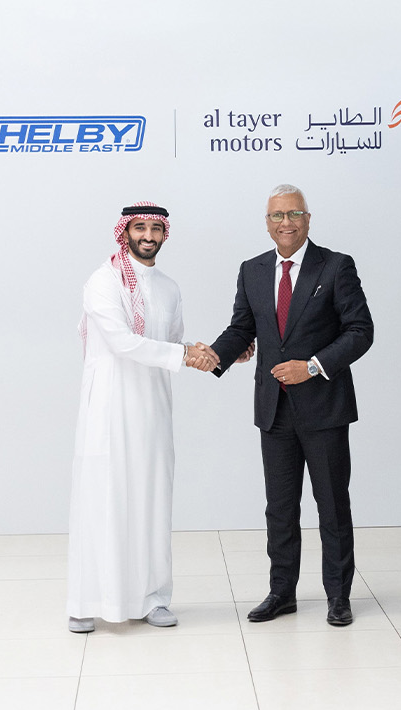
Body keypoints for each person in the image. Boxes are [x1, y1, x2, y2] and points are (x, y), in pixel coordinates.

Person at [209, 184, 374, 627]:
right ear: (267, 223)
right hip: (274, 410)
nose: (286, 222)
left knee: (331, 505)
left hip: (324, 408)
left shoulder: (336, 266)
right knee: (280, 508)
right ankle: (282, 593)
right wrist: (213, 355)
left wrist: (315, 366)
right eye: (277, 215)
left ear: (307, 219)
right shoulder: (252, 270)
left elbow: (360, 331)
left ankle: (338, 596)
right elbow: (242, 327)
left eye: (294, 214)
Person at [67, 202, 230, 634]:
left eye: (155, 228)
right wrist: (184, 354)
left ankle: (154, 598)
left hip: (153, 409)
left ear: (164, 234)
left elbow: (172, 344)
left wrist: (217, 355)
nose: (147, 236)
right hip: (109, 407)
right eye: (139, 227)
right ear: (125, 232)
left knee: (153, 500)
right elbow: (123, 342)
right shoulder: (102, 281)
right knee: (103, 498)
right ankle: (85, 601)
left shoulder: (170, 287)